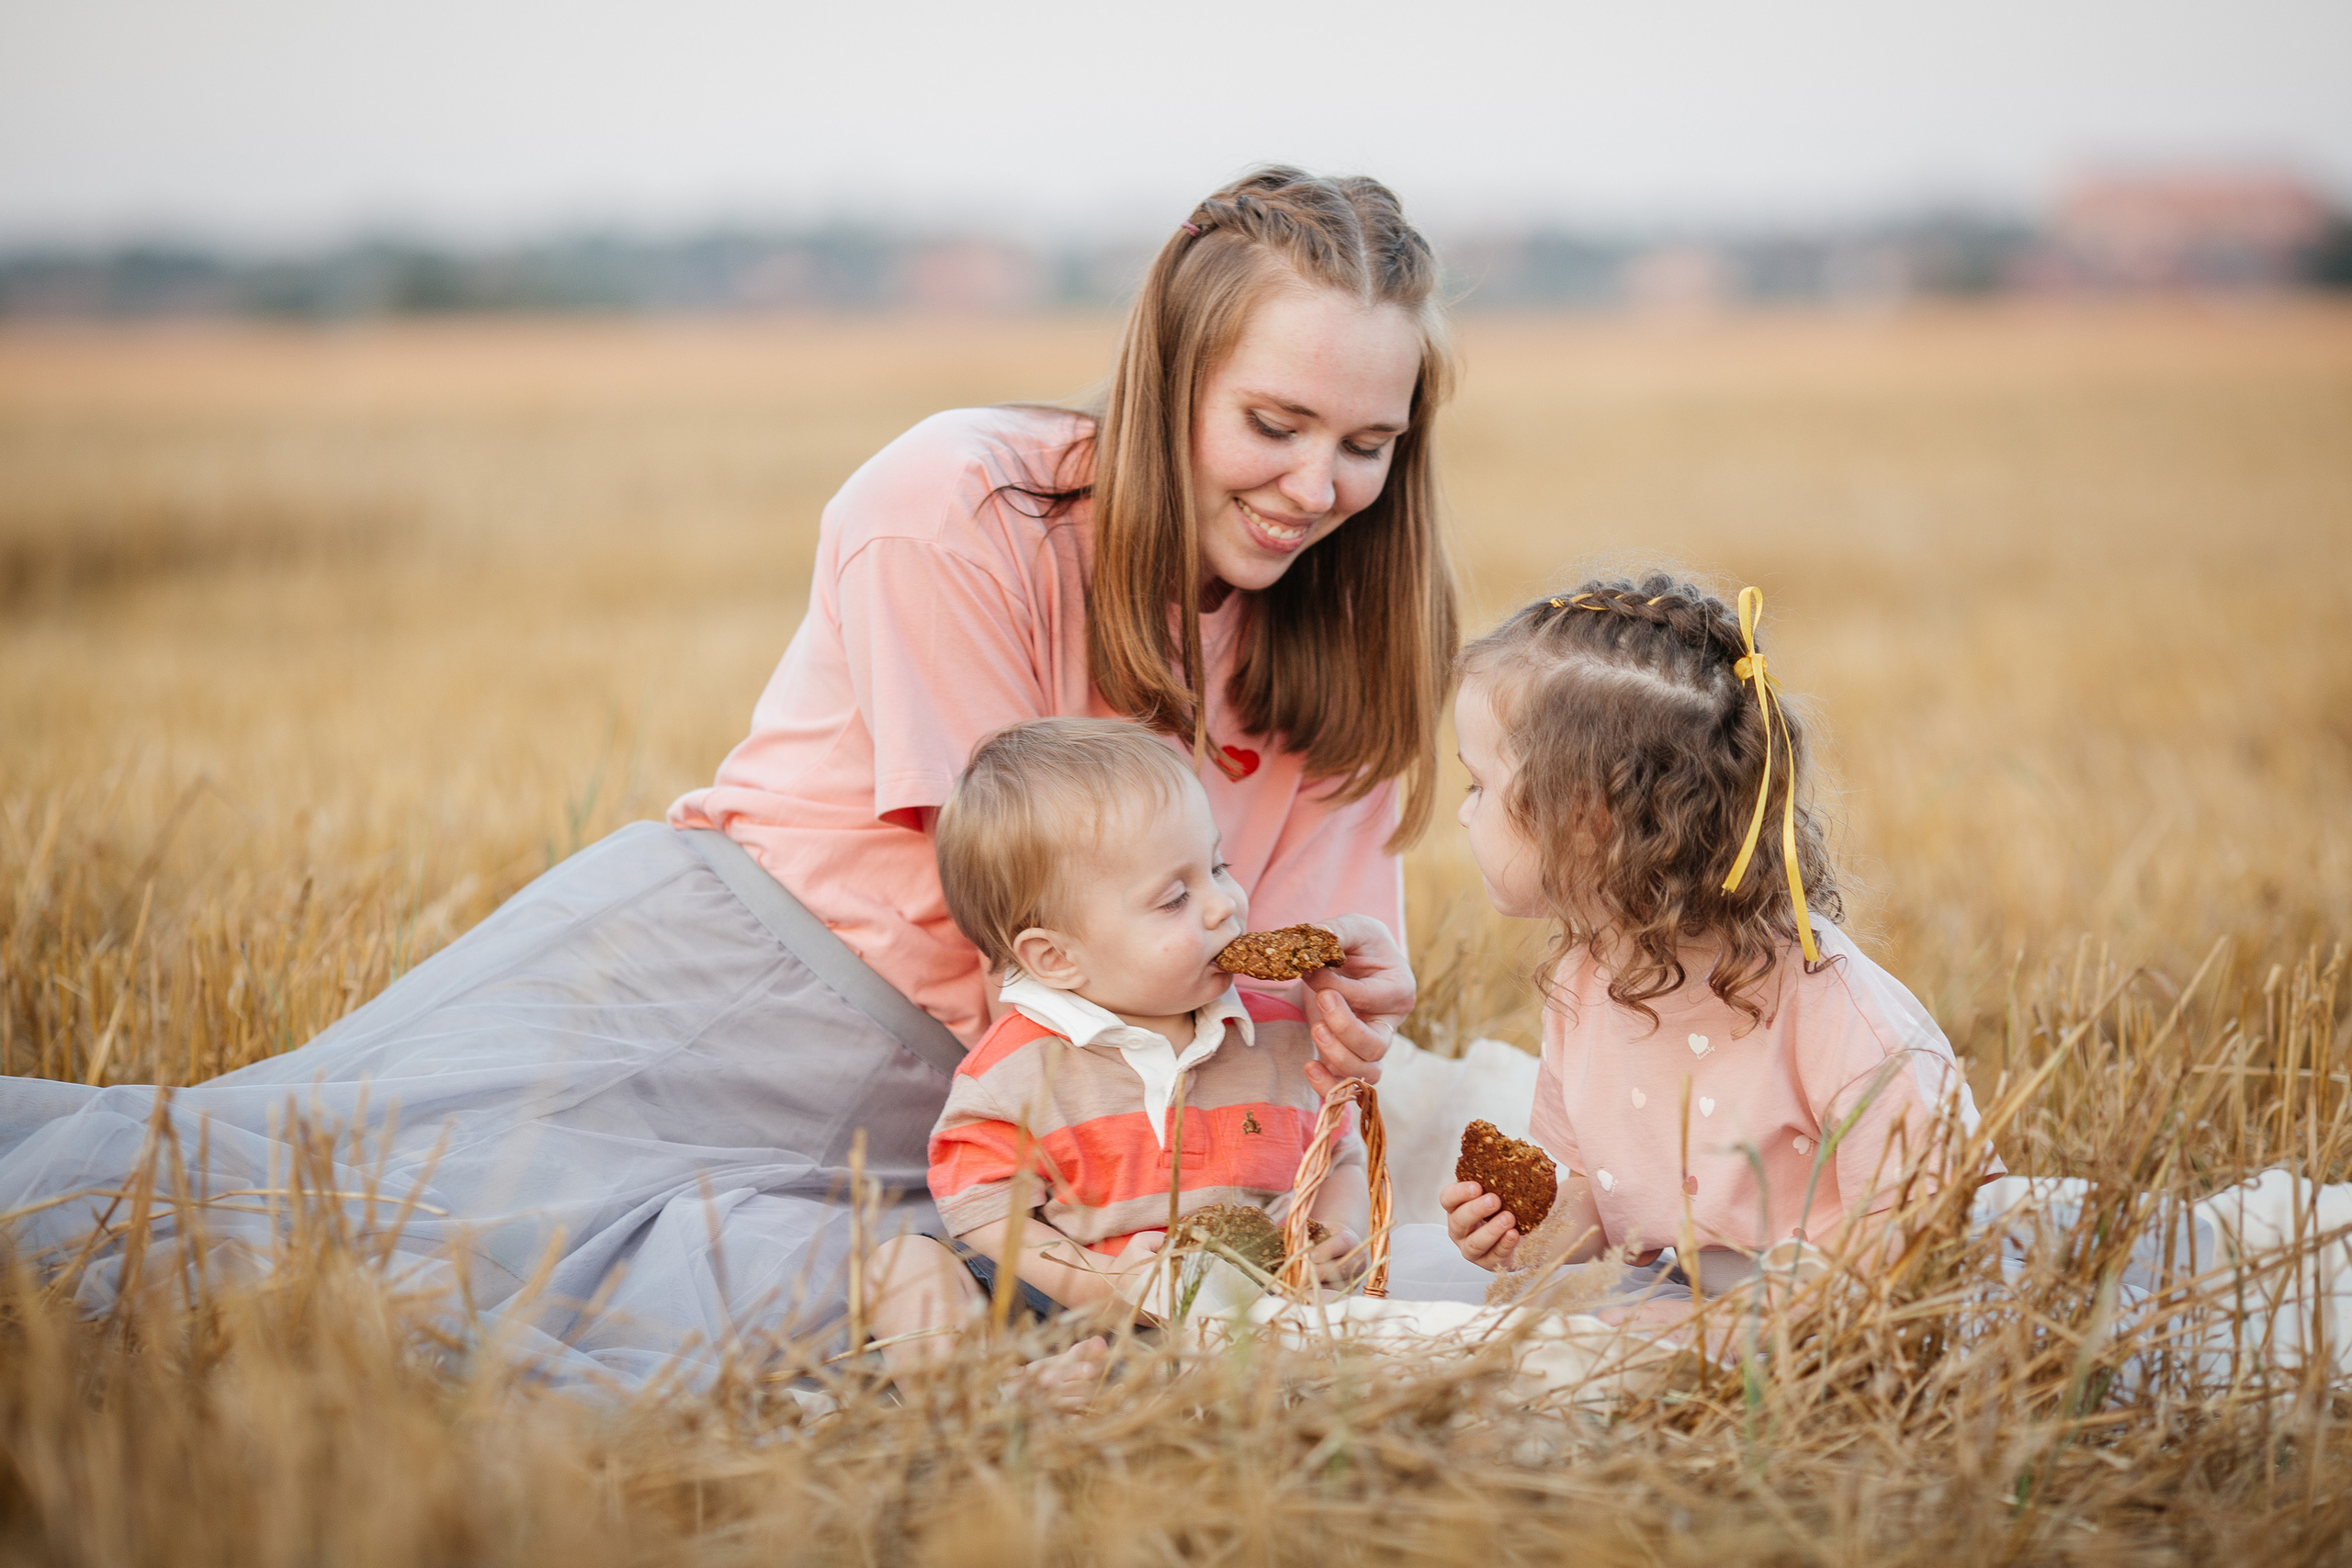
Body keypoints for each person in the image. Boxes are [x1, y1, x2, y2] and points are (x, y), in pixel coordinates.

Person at [0, 167, 1452, 1383]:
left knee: (905, 1315)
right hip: (736, 991)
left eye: (1367, 444)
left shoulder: (1352, 631)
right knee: (285, 1208)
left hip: (1016, 1105)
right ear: (1169, 372)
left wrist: (1333, 1035)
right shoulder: (957, 505)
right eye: (1274, 425)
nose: (1319, 488)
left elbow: (1273, 995)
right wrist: (1175, 1132)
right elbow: (997, 918)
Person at [1438, 574, 1996, 1304]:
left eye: (1477, 785)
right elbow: (1600, 1199)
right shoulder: (1583, 981)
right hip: (1695, 1306)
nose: (1462, 814)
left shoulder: (1827, 1004)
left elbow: (1928, 1221)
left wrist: (1808, 1325)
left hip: (1834, 1323)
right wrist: (1525, 1236)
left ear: (1587, 817)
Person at [862, 719, 1369, 1407]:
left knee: (1317, 1338)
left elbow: (1338, 1156)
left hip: (1243, 1308)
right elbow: (984, 1210)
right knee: (903, 1265)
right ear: (1056, 958)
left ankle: (1184, 1387)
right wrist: (1093, 1282)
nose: (1225, 905)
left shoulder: (1280, 1034)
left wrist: (1332, 1232)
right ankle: (983, 1395)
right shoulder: (1017, 1068)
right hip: (1065, 1310)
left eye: (1218, 866)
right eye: (1175, 897)